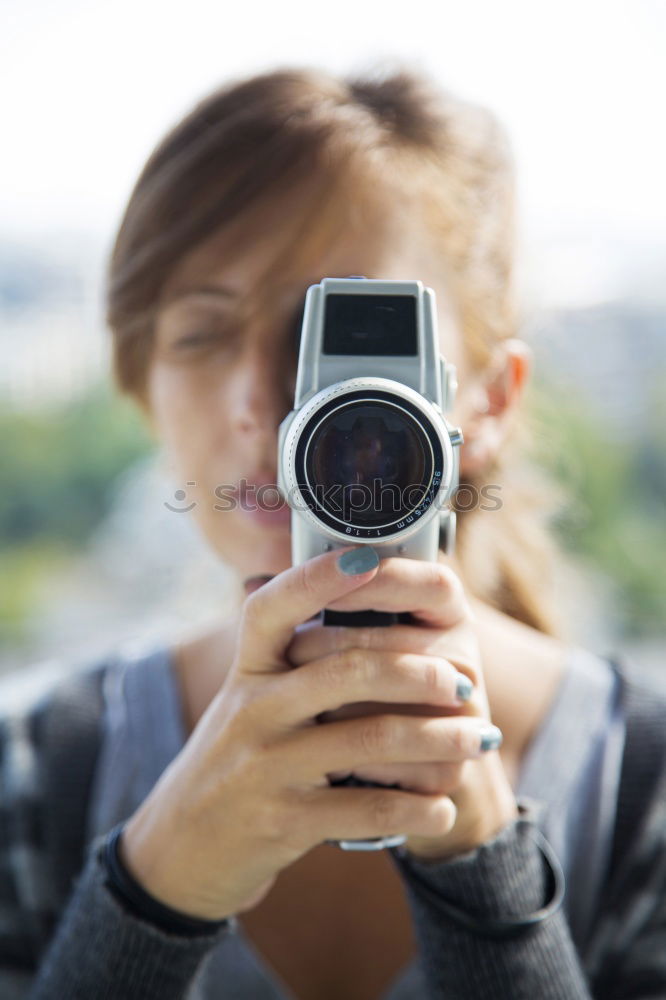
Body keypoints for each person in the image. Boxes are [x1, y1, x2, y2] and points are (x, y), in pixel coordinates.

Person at [1, 66, 665, 1000]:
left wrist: (482, 864)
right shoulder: (34, 777)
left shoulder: (645, 792)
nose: (271, 407)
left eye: (344, 339)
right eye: (200, 332)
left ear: (490, 400)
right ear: (140, 389)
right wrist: (154, 885)